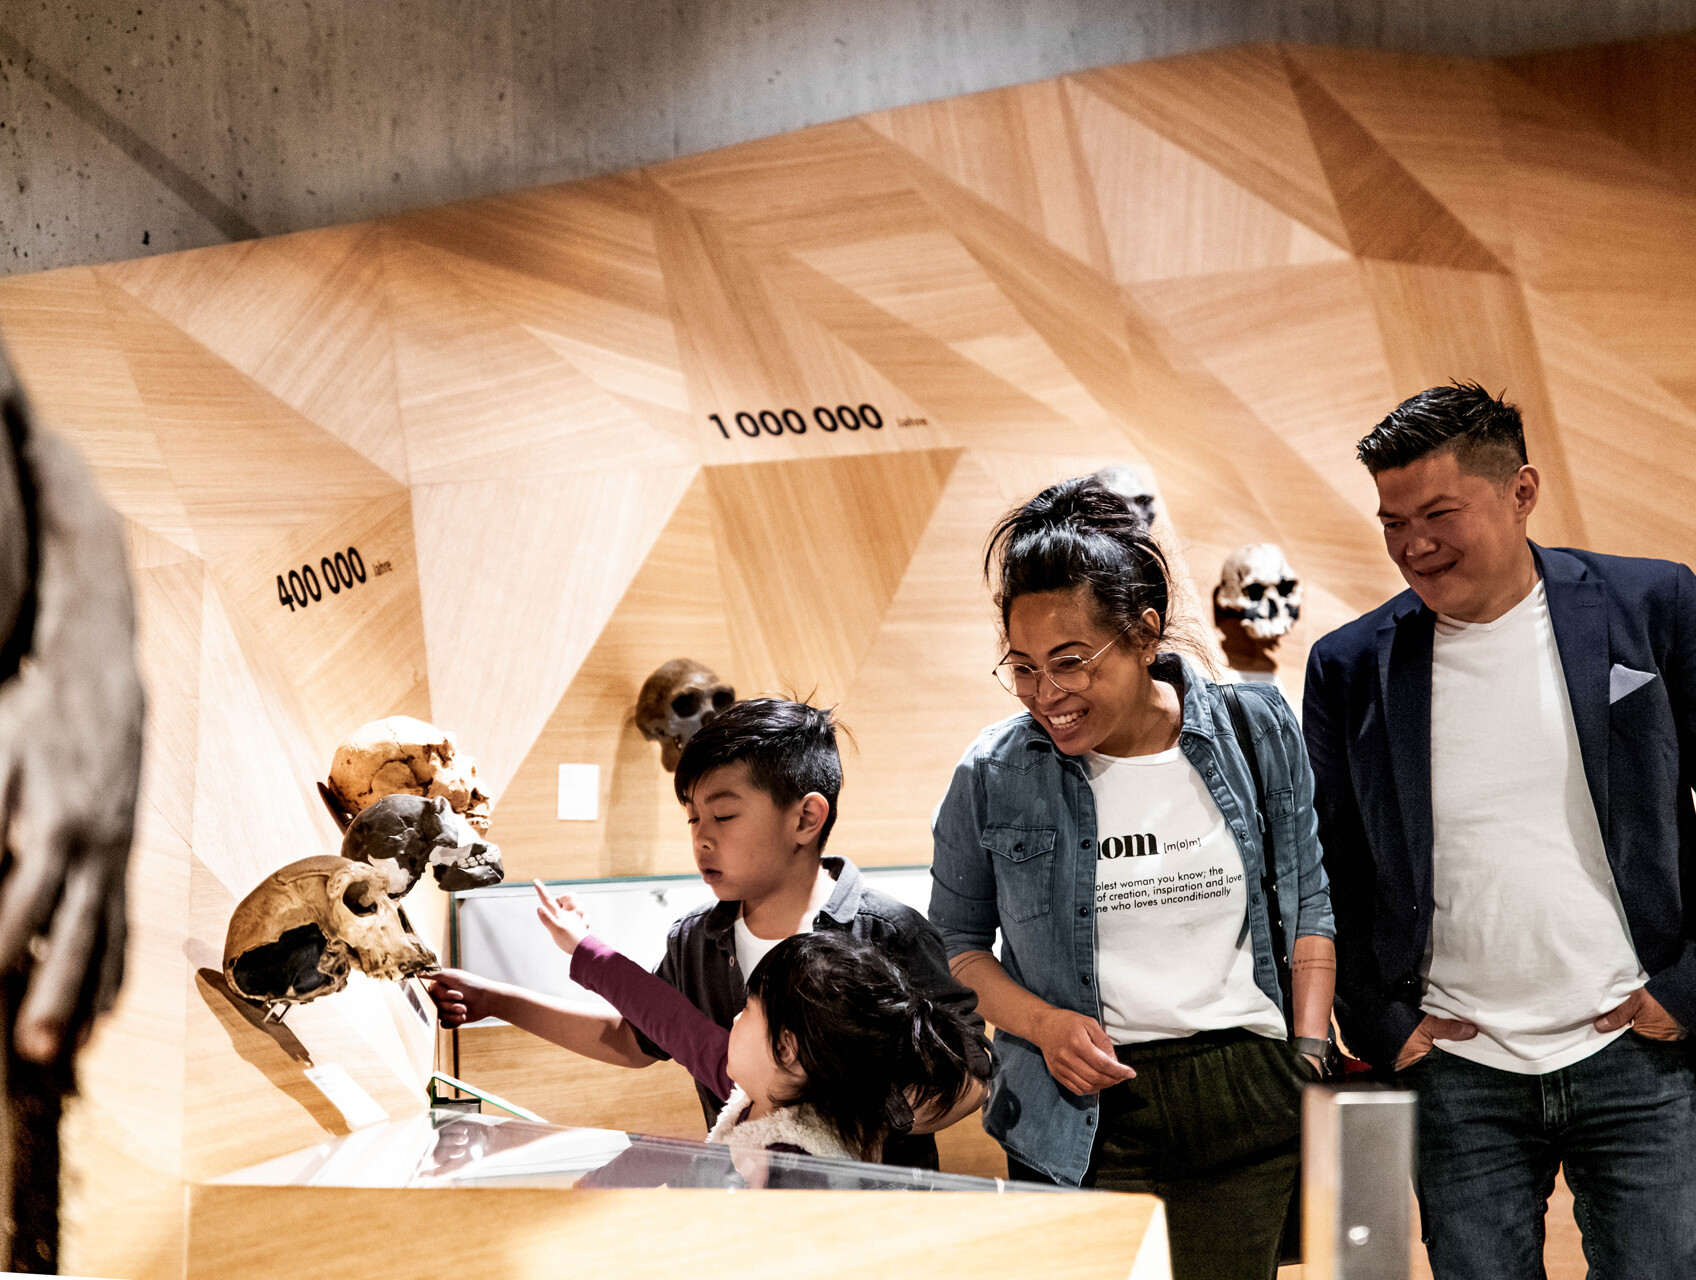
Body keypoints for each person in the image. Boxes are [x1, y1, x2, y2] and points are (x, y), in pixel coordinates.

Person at [1304, 382, 1696, 1279]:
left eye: (1438, 512)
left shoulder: (1656, 604)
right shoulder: (1349, 665)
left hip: (1636, 1046)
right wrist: (1378, 1016)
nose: (1414, 545)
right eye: (1392, 521)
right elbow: (1335, 866)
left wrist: (1688, 988)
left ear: (1522, 492)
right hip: (1455, 1067)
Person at [928, 475, 1336, 1280]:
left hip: (1245, 1095)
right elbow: (956, 948)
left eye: (1071, 662)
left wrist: (1310, 1052)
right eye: (1023, 667)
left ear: (1145, 634)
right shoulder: (994, 771)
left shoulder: (1255, 729)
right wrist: (1043, 1025)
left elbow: (1309, 899)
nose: (1048, 695)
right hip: (1073, 1104)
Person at [427, 697, 991, 1169]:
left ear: (805, 818)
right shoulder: (696, 939)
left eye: (723, 817)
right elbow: (638, 1035)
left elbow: (970, 1072)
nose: (701, 839)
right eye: (693, 818)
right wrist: (492, 999)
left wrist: (850, 1120)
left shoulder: (887, 932)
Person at [532, 885, 982, 1169]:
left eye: (748, 1010)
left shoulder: (801, 1162)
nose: (732, 1018)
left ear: (786, 1050)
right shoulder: (761, 1088)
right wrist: (580, 944)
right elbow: (668, 1017)